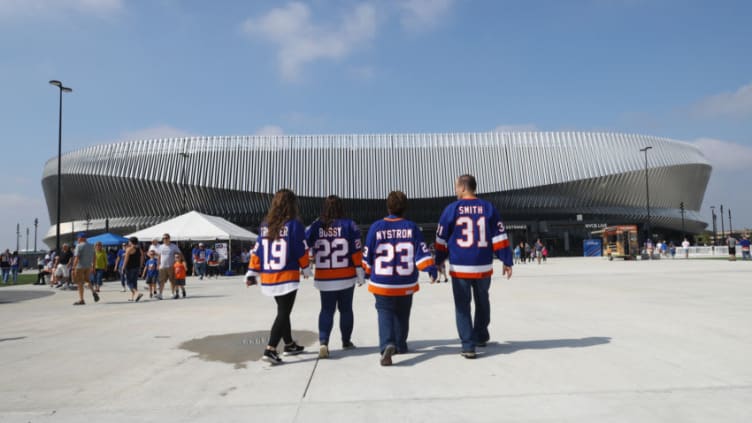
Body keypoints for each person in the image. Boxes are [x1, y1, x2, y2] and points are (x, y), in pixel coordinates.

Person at [435, 174, 513, 359]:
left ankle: (468, 345)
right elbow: (500, 236)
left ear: (463, 187)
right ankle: (480, 335)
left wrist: (439, 259)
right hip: (483, 266)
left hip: (460, 266)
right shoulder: (488, 208)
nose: (455, 190)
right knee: (482, 300)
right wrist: (506, 260)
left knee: (462, 305)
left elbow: (440, 239)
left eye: (456, 187)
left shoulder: (451, 209)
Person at [363, 191, 437, 366]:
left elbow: (367, 255)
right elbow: (422, 253)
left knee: (385, 312)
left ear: (387, 207)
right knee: (403, 314)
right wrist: (431, 270)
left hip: (382, 281)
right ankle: (401, 344)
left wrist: (365, 272)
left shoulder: (376, 227)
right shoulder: (411, 227)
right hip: (406, 281)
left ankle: (387, 344)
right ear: (405, 208)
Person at [245, 189, 312, 365]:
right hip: (287, 275)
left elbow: (257, 251)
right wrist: (306, 268)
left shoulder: (265, 225)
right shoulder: (294, 225)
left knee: (283, 310)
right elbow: (300, 249)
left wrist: (252, 272)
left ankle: (289, 344)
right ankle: (270, 348)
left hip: (269, 277)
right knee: (283, 312)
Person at [305, 195, 365, 359]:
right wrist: (360, 271)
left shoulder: (317, 225)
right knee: (346, 309)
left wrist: (306, 264)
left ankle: (324, 342)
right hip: (346, 274)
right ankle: (346, 341)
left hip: (324, 276)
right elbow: (356, 251)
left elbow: (303, 242)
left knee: (326, 310)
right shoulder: (349, 224)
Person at [71, 233, 99, 306]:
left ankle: (81, 299)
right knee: (87, 280)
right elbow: (94, 257)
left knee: (80, 283)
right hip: (88, 266)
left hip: (80, 266)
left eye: (78, 238)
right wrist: (93, 267)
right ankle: (93, 292)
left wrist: (73, 267)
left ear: (81, 238)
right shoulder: (91, 246)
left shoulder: (79, 246)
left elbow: (77, 258)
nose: (77, 240)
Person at [156, 233, 182, 300]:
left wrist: (178, 262)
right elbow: (159, 256)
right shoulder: (161, 247)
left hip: (171, 266)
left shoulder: (173, 246)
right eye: (164, 238)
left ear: (169, 238)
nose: (165, 239)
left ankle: (172, 293)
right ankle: (160, 294)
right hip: (162, 266)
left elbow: (179, 254)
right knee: (161, 281)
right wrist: (158, 264)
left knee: (172, 281)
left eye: (166, 238)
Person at [121, 236, 144, 302]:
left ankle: (137, 293)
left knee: (129, 282)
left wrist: (123, 267)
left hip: (130, 267)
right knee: (134, 282)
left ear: (131, 242)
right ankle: (133, 297)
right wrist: (140, 266)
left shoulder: (129, 249)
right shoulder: (139, 249)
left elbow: (126, 259)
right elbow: (142, 257)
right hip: (137, 267)